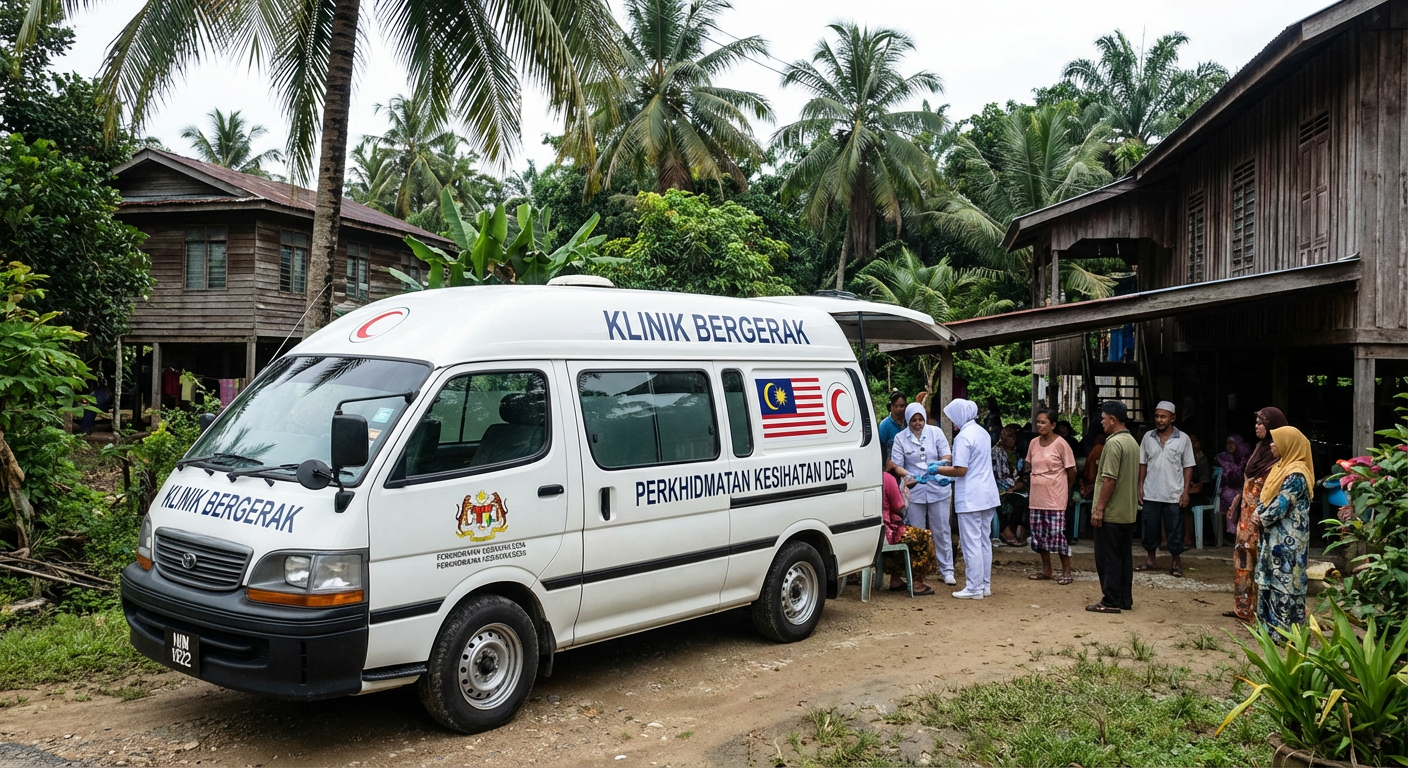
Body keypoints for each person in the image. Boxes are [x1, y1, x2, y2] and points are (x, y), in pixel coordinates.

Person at [1227, 407, 1289, 621]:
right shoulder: (1259, 449)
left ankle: (1261, 610)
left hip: (1262, 518)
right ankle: (1243, 608)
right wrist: (1238, 499)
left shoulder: (1280, 455)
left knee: (1262, 562)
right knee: (1243, 560)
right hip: (1246, 516)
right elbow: (1249, 481)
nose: (1257, 426)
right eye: (1257, 422)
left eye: (1262, 423)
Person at [936, 399, 1001, 599]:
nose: (953, 422)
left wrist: (937, 470)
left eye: (953, 418)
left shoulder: (963, 437)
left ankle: (974, 587)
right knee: (983, 541)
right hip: (987, 494)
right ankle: (984, 585)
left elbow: (961, 469)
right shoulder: (982, 432)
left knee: (971, 542)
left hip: (971, 496)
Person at [1253, 425, 1314, 633]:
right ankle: (1268, 628)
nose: (1271, 445)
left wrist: (1260, 517)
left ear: (1289, 445)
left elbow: (1280, 505)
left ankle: (1284, 631)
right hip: (1273, 538)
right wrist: (1259, 512)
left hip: (1288, 540)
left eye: (1276, 441)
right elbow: (1266, 496)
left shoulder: (1297, 474)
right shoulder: (1280, 468)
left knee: (1285, 582)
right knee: (1270, 579)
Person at [891, 402, 956, 585]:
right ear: (908, 420)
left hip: (937, 486)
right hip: (914, 489)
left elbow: (946, 455)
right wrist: (909, 476)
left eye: (920, 419)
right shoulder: (900, 438)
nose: (918, 423)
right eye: (914, 420)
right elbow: (896, 465)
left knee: (941, 529)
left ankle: (947, 570)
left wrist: (939, 467)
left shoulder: (935, 432)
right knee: (916, 532)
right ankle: (917, 573)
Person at [1088, 401, 1140, 614]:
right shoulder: (1133, 443)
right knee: (1123, 557)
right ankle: (1124, 598)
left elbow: (1109, 479)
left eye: (1103, 417)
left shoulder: (1113, 444)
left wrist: (1099, 508)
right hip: (1127, 512)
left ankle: (1110, 600)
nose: (1101, 422)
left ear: (1113, 419)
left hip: (1111, 512)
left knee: (1107, 557)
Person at [1137, 401, 1195, 578]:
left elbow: (1188, 466)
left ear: (1173, 418)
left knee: (1175, 529)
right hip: (1151, 491)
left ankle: (1176, 562)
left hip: (1173, 493)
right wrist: (1140, 486)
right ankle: (1150, 560)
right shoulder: (1148, 437)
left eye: (1163, 416)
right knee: (1149, 527)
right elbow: (1143, 463)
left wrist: (1185, 492)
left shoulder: (1183, 439)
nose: (1159, 420)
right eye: (1157, 416)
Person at [1027, 408, 1076, 584]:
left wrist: (1066, 489)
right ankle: (1047, 569)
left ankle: (1066, 572)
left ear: (1053, 424)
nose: (1039, 425)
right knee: (1039, 536)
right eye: (1038, 422)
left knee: (1058, 535)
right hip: (1036, 497)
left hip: (1055, 497)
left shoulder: (1061, 444)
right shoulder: (1033, 443)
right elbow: (1029, 464)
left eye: (1043, 422)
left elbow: (1071, 470)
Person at [880, 454, 936, 595]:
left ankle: (896, 579)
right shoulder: (886, 478)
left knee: (904, 536)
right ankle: (917, 583)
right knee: (923, 537)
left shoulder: (862, 476)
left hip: (870, 531)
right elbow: (900, 508)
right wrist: (905, 492)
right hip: (887, 531)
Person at [992, 427, 1028, 546]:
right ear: (1002, 438)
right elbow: (1001, 476)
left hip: (1016, 484)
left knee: (1032, 499)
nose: (1012, 439)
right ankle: (1005, 530)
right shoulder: (997, 452)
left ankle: (1020, 529)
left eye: (1013, 436)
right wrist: (1014, 487)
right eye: (1008, 436)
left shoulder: (1017, 452)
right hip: (1000, 486)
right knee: (1015, 500)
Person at [1217, 435, 1251, 536]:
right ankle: (1231, 533)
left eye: (1232, 444)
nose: (1230, 446)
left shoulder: (1243, 458)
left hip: (1241, 487)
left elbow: (1242, 475)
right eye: (1228, 444)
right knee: (1229, 496)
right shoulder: (1222, 457)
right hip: (1226, 488)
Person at [878, 391, 908, 475]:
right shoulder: (884, 425)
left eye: (902, 406)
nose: (899, 409)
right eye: (896, 406)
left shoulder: (909, 422)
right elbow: (880, 448)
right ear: (891, 407)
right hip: (892, 469)